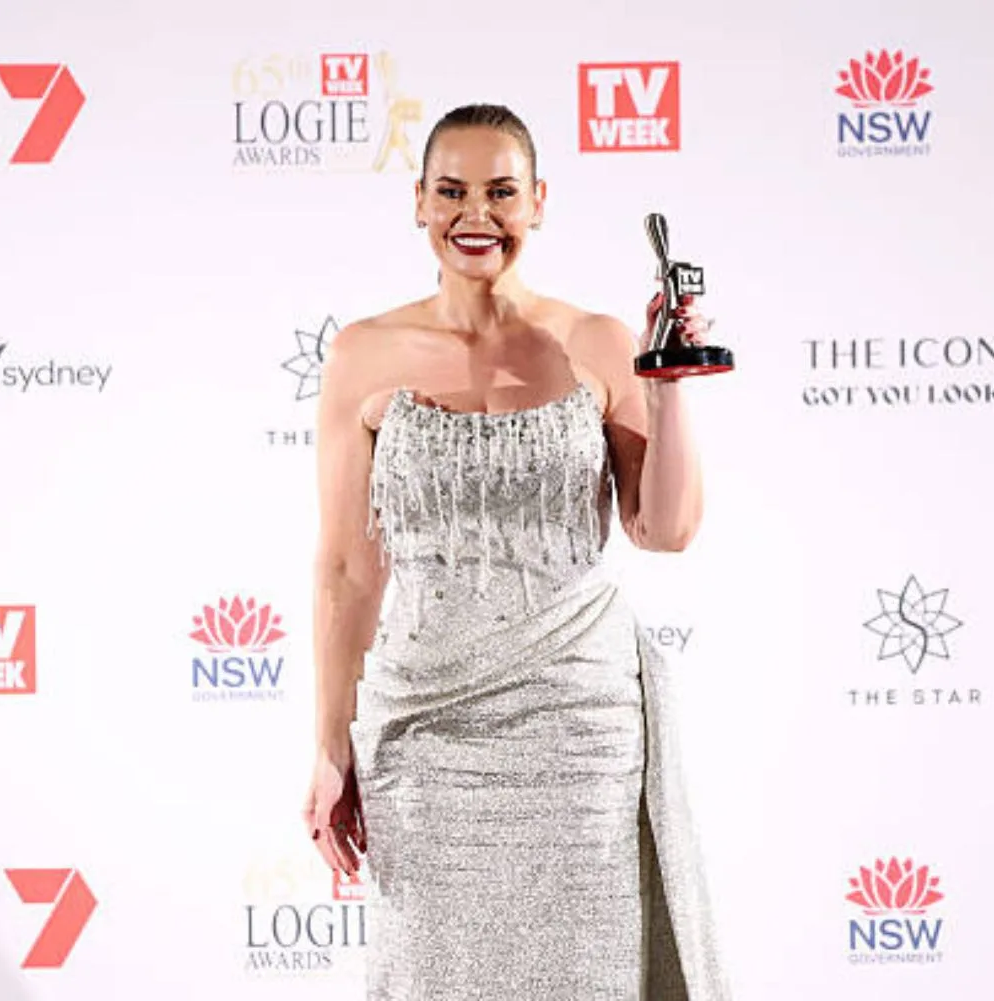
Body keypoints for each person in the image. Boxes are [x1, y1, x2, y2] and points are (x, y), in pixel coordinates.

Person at [303, 103, 730, 999]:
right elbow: (347, 568)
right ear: (418, 203)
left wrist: (672, 387)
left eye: (501, 192)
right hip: (424, 731)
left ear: (538, 202)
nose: (477, 215)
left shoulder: (596, 341)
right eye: (452, 191)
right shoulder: (363, 354)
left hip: (578, 729)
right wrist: (330, 747)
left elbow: (666, 529)